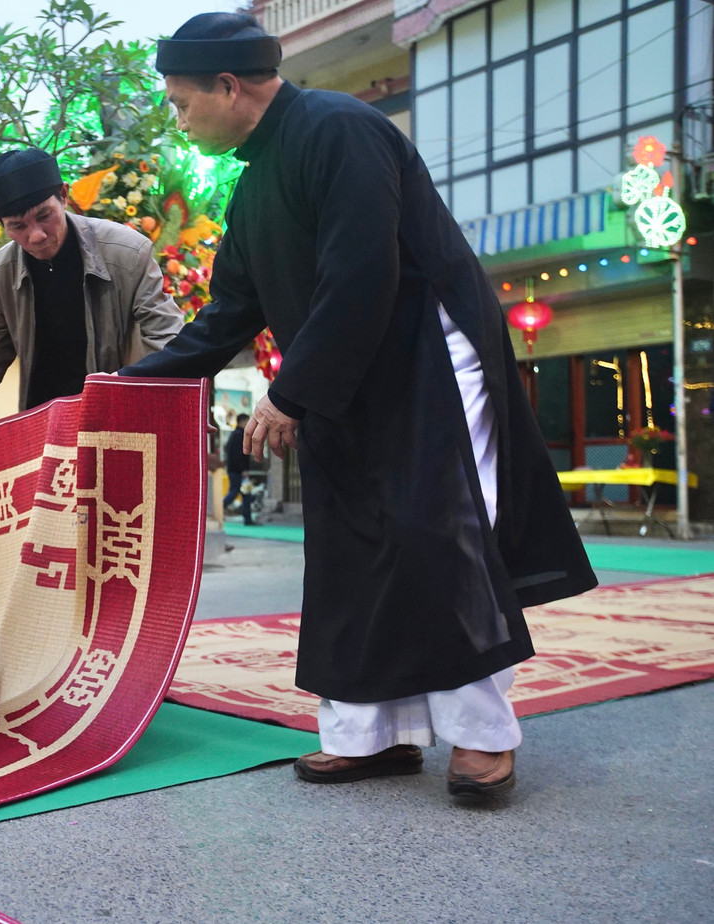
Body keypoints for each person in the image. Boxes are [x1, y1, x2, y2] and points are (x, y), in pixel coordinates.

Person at [121, 12, 597, 798]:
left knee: (432, 527)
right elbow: (228, 313)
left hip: (423, 357)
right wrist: (121, 389)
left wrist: (292, 390)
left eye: (179, 101)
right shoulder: (253, 184)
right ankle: (370, 734)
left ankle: (481, 736)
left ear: (229, 86)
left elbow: (363, 272)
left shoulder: (341, 129)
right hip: (347, 368)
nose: (178, 118)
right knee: (348, 541)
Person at [0, 148, 183, 456]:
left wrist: (181, 402)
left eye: (44, 216)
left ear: (63, 195)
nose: (35, 235)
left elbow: (166, 336)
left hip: (118, 421)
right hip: (42, 427)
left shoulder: (127, 252)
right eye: (17, 226)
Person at [223, 413, 253, 523]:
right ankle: (218, 508)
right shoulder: (238, 435)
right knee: (235, 492)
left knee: (246, 494)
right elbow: (238, 455)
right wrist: (243, 469)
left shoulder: (236, 434)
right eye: (247, 421)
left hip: (237, 470)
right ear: (242, 422)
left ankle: (248, 518)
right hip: (238, 471)